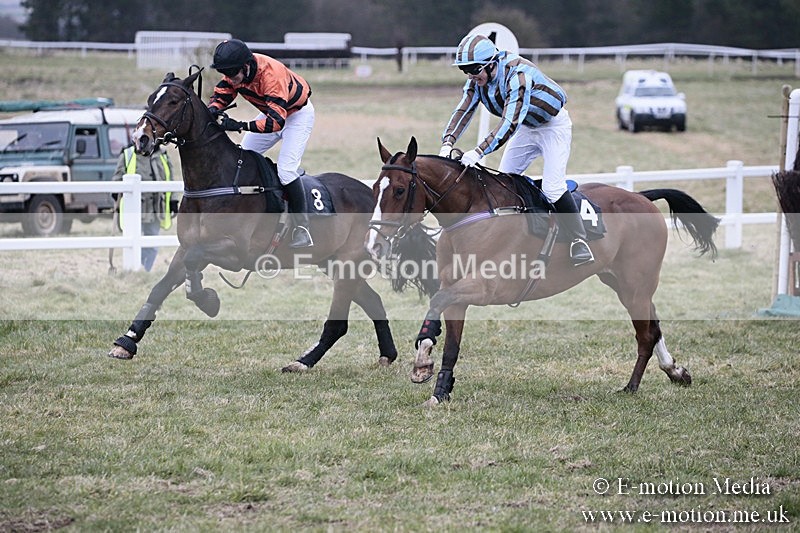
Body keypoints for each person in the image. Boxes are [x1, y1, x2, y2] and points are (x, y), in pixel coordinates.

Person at [439, 34, 594, 267]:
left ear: (491, 64)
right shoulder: (476, 81)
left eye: (474, 69)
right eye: (465, 70)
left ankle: (579, 240)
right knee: (503, 184)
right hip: (527, 127)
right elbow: (463, 111)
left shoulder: (517, 76)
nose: (470, 76)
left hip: (552, 126)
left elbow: (509, 123)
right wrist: (447, 143)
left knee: (552, 189)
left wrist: (479, 152)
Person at [207, 38, 315, 248]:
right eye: (225, 73)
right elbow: (223, 94)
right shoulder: (237, 69)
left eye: (232, 73)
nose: (230, 78)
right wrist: (213, 108)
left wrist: (240, 125)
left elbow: (276, 123)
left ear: (246, 66)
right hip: (272, 111)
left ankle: (302, 228)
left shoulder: (271, 76)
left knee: (286, 170)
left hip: (296, 116)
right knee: (242, 159)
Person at [113, 144, 174, 272]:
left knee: (153, 245)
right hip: (134, 209)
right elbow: (117, 178)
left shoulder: (162, 155)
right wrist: (116, 192)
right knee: (132, 243)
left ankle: (143, 271)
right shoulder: (128, 154)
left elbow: (170, 178)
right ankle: (134, 271)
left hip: (156, 208)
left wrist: (173, 200)